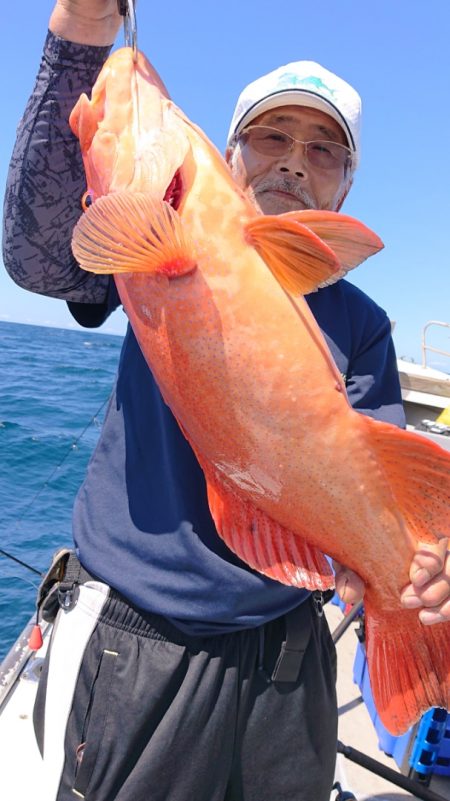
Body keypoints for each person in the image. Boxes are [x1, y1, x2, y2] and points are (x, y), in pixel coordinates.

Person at [3, 3, 450, 800]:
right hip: (136, 642)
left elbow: (378, 473)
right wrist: (76, 36)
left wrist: (418, 568)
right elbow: (38, 256)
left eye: (323, 150)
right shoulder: (149, 247)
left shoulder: (363, 324)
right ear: (229, 151)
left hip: (286, 655)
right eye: (271, 136)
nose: (293, 162)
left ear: (346, 183)